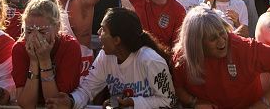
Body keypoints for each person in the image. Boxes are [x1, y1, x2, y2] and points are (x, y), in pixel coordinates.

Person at [46, 8, 177, 108]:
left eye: (103, 30)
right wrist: (70, 101)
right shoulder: (105, 56)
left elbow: (168, 101)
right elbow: (87, 89)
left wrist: (133, 103)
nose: (98, 33)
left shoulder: (151, 61)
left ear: (116, 40)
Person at [172, 6, 270, 108]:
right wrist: (193, 101)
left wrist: (265, 103)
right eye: (213, 39)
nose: (222, 42)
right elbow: (177, 87)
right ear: (196, 43)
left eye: (222, 33)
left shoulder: (244, 48)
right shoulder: (182, 57)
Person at [12, 0, 82, 108]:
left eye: (42, 32)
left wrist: (44, 61)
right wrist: (34, 62)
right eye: (29, 31)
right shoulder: (20, 48)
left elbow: (55, 103)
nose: (34, 38)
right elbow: (27, 104)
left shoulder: (70, 47)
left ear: (57, 27)